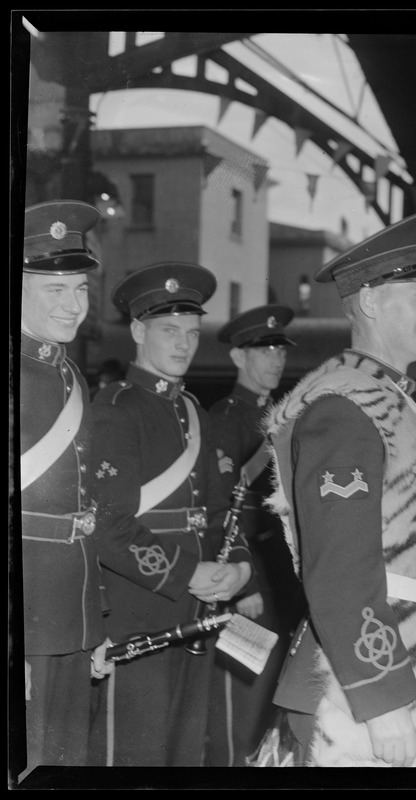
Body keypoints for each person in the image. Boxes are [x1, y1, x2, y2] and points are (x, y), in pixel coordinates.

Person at [257, 210, 416, 767]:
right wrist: (380, 699)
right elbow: (338, 567)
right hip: (369, 683)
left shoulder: (387, 400)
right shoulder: (345, 408)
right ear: (372, 301)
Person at [88, 262, 255, 766]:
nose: (183, 344)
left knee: (185, 753)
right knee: (132, 755)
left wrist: (240, 569)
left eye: (191, 332)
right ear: (138, 331)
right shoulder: (115, 409)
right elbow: (108, 526)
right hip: (138, 610)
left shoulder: (193, 413)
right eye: (169, 331)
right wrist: (190, 574)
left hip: (197, 610)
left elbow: (223, 508)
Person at [18, 200, 114, 778]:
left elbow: (84, 513)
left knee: (67, 767)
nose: (73, 305)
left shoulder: (70, 374)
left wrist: (94, 625)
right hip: (26, 623)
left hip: (71, 623)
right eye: (54, 290)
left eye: (79, 288)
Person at [204, 304, 307, 766]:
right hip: (247, 587)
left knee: (273, 704)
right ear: (238, 357)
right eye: (263, 349)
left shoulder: (282, 420)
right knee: (241, 704)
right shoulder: (225, 420)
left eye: (279, 349)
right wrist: (242, 584)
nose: (275, 358)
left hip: (282, 582)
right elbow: (219, 506)